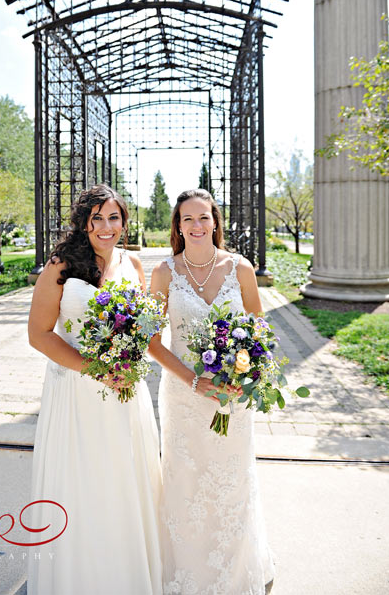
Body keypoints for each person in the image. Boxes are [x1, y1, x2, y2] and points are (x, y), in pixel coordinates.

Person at [27, 184, 162, 595]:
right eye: (96, 218)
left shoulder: (133, 265)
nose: (106, 227)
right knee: (82, 485)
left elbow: (143, 330)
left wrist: (128, 361)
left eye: (114, 217)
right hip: (76, 395)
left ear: (124, 221)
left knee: (122, 483)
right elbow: (39, 335)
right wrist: (96, 368)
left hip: (124, 394)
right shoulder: (61, 265)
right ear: (83, 222)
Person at [149, 188, 275, 595]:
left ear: (216, 222)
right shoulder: (164, 273)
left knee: (231, 479)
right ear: (178, 227)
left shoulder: (240, 268)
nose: (197, 225)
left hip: (232, 397)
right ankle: (186, 574)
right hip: (183, 396)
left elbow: (260, 329)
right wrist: (191, 378)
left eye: (204, 217)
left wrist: (243, 375)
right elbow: (151, 343)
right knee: (185, 481)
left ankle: (235, 574)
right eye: (188, 219)